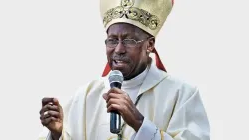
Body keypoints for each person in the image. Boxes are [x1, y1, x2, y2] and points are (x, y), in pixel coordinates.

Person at [38, 0, 210, 139]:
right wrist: (56, 134)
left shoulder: (182, 95)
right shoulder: (85, 97)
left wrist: (139, 122)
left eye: (129, 41)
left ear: (149, 45)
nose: (119, 49)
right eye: (112, 40)